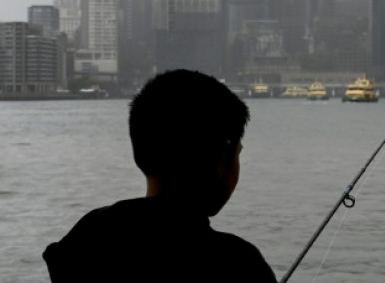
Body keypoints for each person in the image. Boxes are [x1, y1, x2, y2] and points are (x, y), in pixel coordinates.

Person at [43, 69, 277, 282]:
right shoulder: (237, 264)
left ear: (140, 155)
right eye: (237, 153)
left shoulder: (85, 239)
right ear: (222, 156)